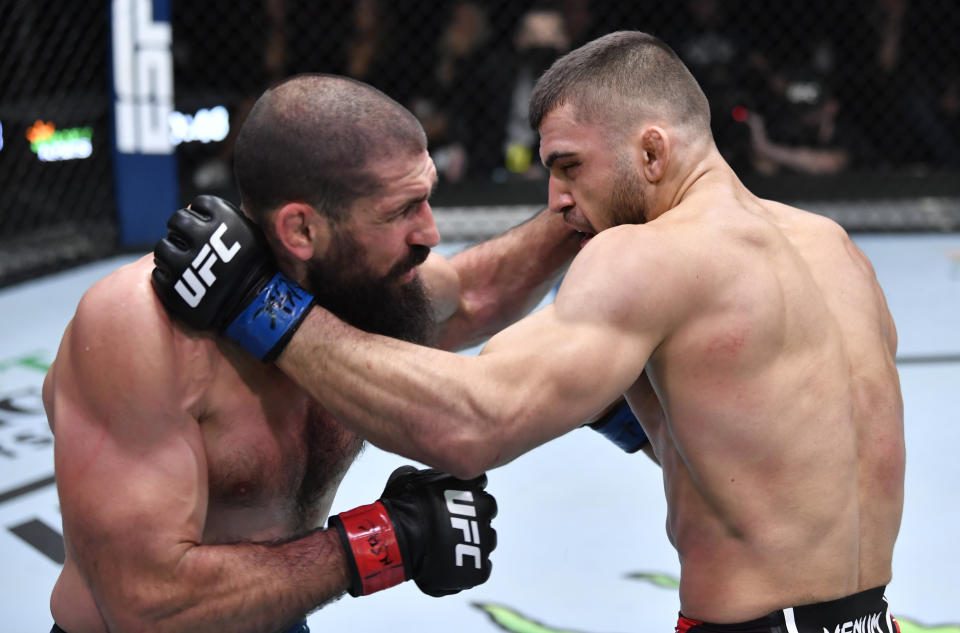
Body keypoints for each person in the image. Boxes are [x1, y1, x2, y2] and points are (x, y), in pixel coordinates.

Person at [151, 33, 906, 632]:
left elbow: (474, 421)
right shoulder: (830, 247)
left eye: (570, 167)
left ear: (651, 152)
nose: (558, 201)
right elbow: (784, 461)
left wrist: (260, 306)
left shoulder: (646, 258)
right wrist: (649, 420)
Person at [43, 73, 585, 633]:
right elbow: (144, 604)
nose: (430, 233)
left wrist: (582, 211)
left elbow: (469, 297)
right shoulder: (140, 329)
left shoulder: (362, 285)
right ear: (302, 229)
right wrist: (388, 540)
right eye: (403, 210)